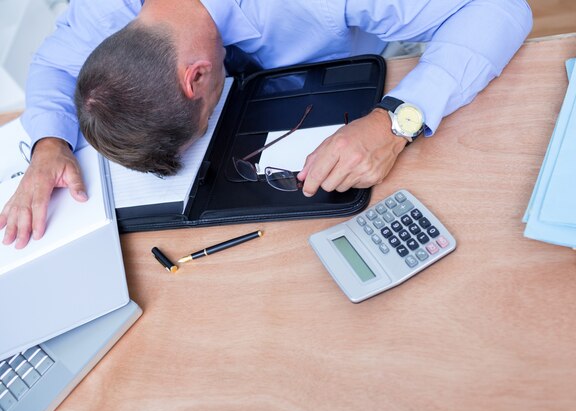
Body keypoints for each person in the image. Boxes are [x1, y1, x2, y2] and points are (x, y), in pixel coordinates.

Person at [0, 0, 533, 249]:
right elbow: (55, 64)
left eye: (204, 119)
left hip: (368, 60)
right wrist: (49, 143)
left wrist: (396, 121)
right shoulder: (107, 8)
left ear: (197, 76)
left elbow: (499, 9)